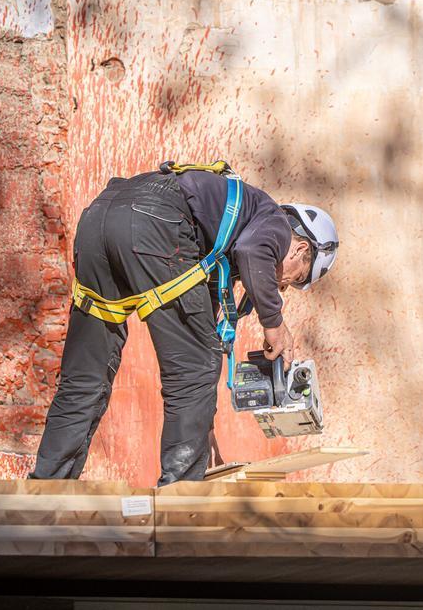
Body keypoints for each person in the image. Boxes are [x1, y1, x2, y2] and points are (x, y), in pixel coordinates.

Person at [30, 161, 339, 485]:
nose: (283, 286)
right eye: (296, 277)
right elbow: (253, 251)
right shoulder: (272, 220)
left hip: (99, 221)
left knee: (86, 380)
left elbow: (199, 308)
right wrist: (274, 322)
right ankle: (180, 503)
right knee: (195, 369)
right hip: (153, 225)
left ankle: (46, 493)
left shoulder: (224, 232)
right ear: (301, 249)